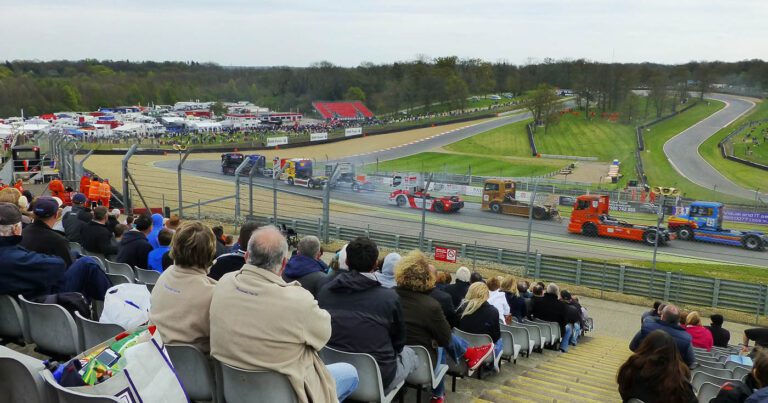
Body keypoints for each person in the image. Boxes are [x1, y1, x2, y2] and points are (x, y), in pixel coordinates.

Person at [211, 225, 359, 403]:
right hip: (288, 394)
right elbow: (324, 335)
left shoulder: (224, 284)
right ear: (283, 264)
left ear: (246, 256)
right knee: (350, 372)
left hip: (234, 393)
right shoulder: (298, 300)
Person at [317, 236, 418, 392]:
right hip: (375, 378)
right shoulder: (389, 298)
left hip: (332, 371)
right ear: (375, 264)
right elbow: (399, 342)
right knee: (410, 354)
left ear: (348, 262)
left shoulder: (325, 292)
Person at [150, 221, 217, 352]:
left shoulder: (166, 274)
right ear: (210, 253)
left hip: (158, 354)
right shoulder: (212, 294)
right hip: (195, 366)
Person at [395, 251, 452, 403]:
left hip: (391, 359)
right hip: (421, 366)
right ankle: (438, 395)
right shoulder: (431, 306)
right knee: (441, 348)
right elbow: (446, 339)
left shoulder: (387, 296)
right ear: (428, 279)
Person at [0, 202, 67, 297]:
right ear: (16, 229)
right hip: (33, 305)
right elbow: (59, 265)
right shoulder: (16, 258)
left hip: (10, 306)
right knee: (87, 262)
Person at [617, 330, 697, 403]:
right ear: (673, 353)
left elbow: (623, 392)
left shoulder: (630, 369)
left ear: (645, 346)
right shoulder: (680, 385)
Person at [630, 304, 695, 367]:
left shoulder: (647, 326)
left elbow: (633, 346)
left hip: (645, 368)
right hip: (669, 375)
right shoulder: (686, 339)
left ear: (662, 316)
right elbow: (690, 362)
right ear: (678, 320)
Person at [457, 282, 503, 370]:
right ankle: (493, 366)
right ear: (486, 294)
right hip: (484, 350)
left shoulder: (461, 308)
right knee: (500, 340)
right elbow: (495, 337)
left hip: (463, 348)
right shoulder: (493, 311)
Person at [19, 197, 72, 267]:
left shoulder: (22, 233)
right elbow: (69, 266)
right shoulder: (58, 241)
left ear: (34, 214)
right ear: (56, 215)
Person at [531, 283, 571, 352]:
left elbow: (533, 315)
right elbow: (565, 321)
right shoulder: (562, 306)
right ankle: (563, 349)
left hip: (538, 329)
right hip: (555, 332)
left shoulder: (538, 302)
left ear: (546, 291)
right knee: (568, 328)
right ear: (557, 293)